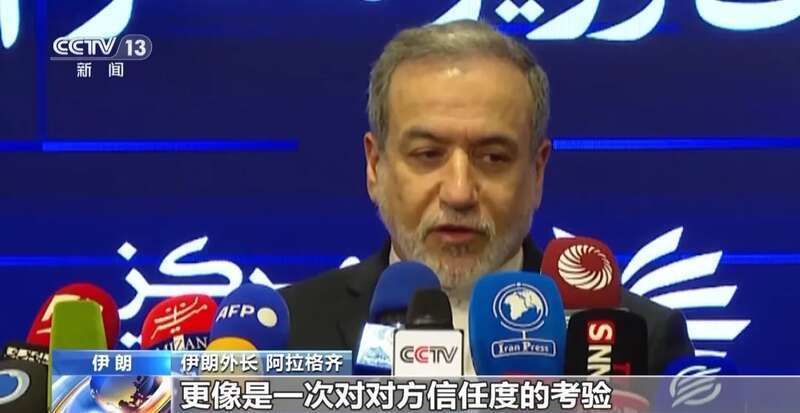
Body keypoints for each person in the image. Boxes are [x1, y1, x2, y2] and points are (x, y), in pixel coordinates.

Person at [281, 20, 694, 374]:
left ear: (537, 172)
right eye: (428, 155)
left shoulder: (640, 341)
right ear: (375, 166)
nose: (459, 192)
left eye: (494, 157)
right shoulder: (288, 334)